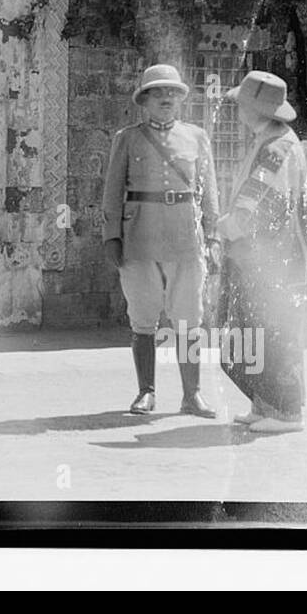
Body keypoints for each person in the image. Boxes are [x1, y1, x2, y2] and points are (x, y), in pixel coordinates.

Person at [101, 64, 221, 417]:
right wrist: (112, 235)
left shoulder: (197, 137)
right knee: (142, 315)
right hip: (140, 236)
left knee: (189, 317)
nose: (166, 98)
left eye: (173, 92)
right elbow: (111, 191)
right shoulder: (127, 138)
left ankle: (192, 394)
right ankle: (146, 392)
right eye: (158, 92)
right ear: (145, 100)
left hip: (185, 237)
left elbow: (209, 191)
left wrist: (213, 236)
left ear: (181, 99)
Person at [216, 71, 307, 434]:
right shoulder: (270, 139)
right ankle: (264, 403)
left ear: (254, 108)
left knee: (272, 330)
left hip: (269, 256)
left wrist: (228, 225)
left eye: (242, 103)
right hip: (260, 254)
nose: (237, 109)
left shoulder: (276, 148)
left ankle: (285, 412)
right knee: (253, 328)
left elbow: (262, 202)